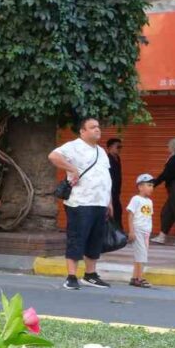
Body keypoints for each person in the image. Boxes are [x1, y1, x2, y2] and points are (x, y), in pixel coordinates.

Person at [48, 117, 113, 290]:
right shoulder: (74, 146)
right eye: (92, 127)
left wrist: (109, 201)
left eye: (98, 127)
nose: (97, 129)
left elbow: (105, 178)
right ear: (82, 131)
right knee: (77, 237)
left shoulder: (102, 151)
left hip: (99, 202)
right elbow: (53, 156)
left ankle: (90, 275)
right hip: (80, 202)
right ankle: (71, 276)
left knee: (95, 239)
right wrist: (71, 168)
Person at [126, 173, 155, 288]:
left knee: (140, 255)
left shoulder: (150, 201)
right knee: (141, 255)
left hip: (146, 232)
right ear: (140, 187)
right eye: (148, 185)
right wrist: (131, 231)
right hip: (137, 230)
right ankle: (139, 278)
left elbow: (149, 217)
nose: (151, 188)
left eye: (152, 185)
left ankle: (134, 278)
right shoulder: (136, 199)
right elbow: (130, 215)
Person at [106, 138, 123, 227]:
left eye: (121, 147)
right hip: (110, 191)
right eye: (118, 147)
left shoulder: (117, 158)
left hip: (116, 191)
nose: (120, 149)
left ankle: (118, 233)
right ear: (110, 147)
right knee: (113, 212)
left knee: (118, 211)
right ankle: (115, 233)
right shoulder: (107, 159)